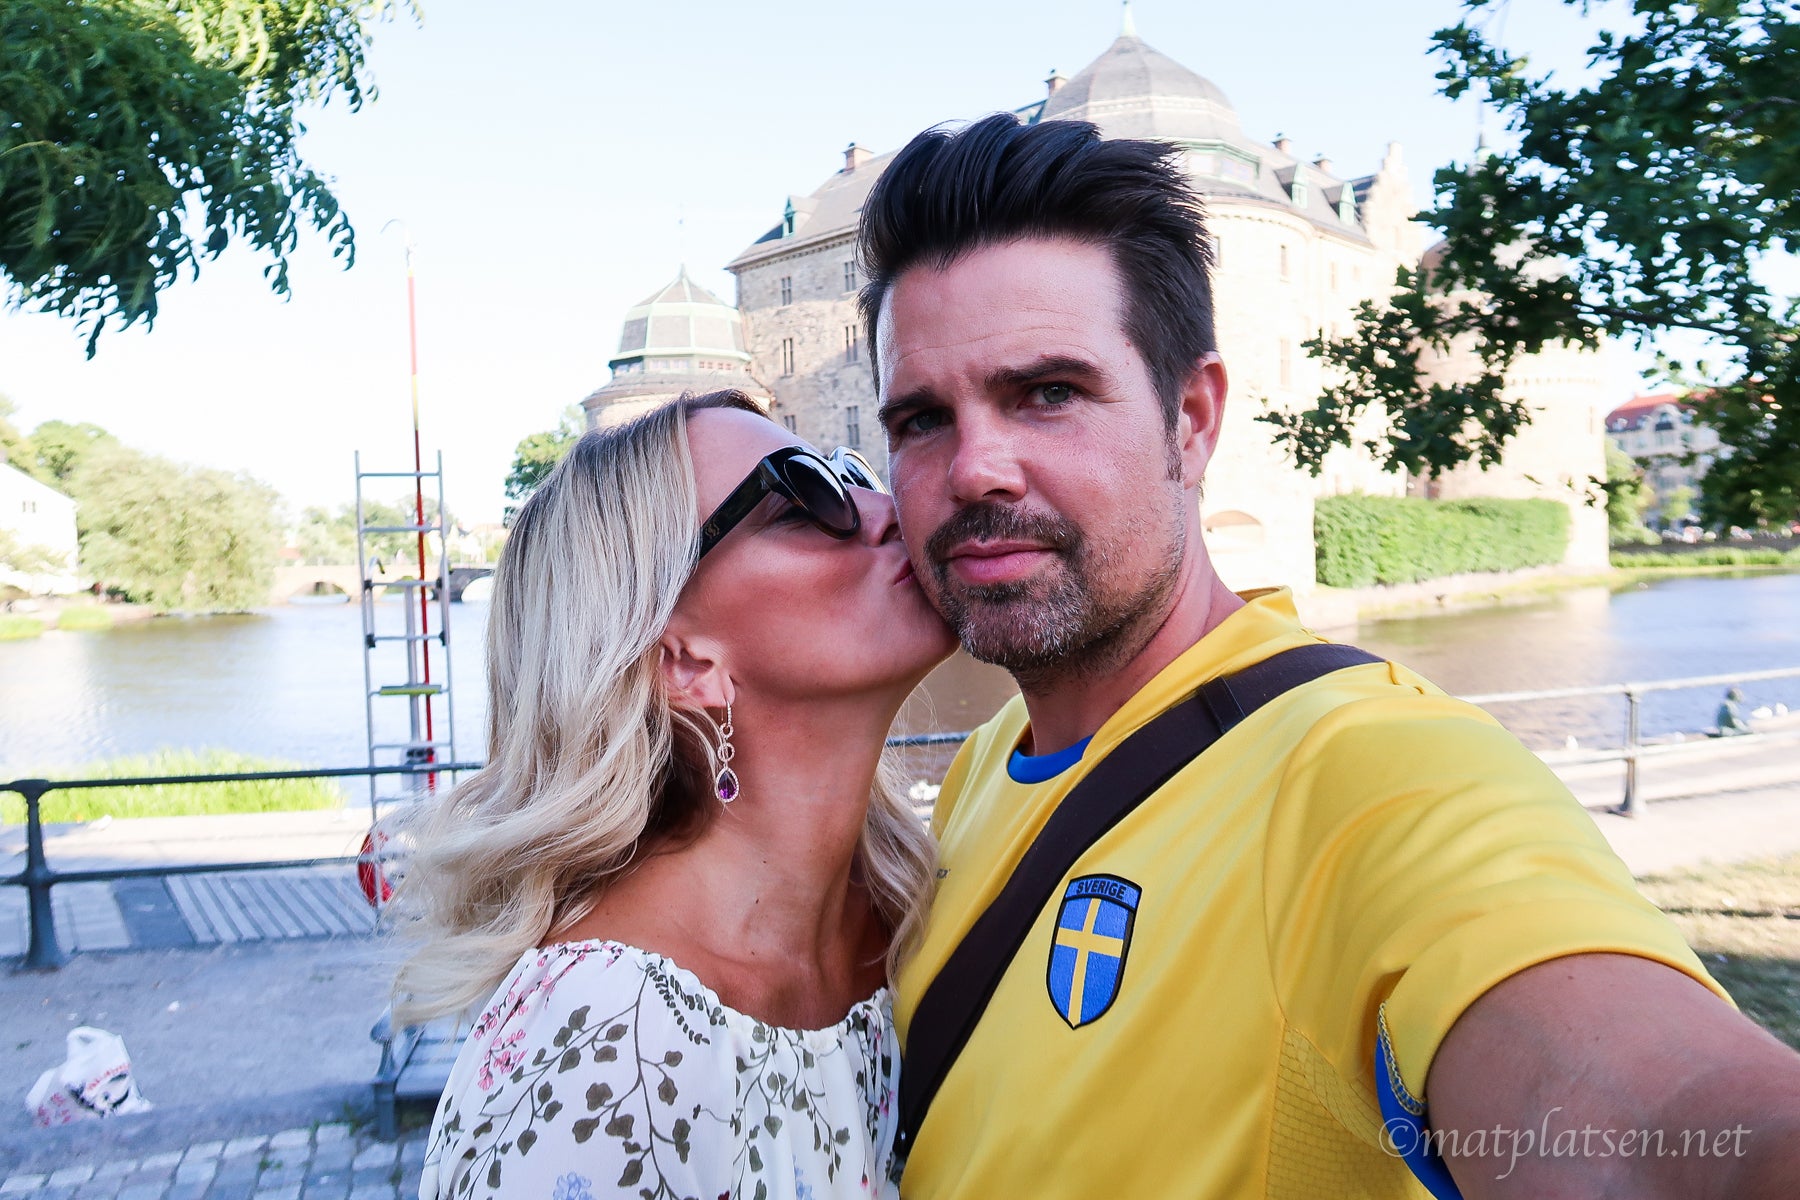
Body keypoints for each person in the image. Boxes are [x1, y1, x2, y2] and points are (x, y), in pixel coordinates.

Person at [858, 113, 1800, 1198]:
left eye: (1050, 394)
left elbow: (1661, 1122)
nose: (975, 468)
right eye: (921, 420)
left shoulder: (1371, 768)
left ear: (1191, 419)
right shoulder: (985, 762)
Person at [396, 390, 957, 1200]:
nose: (894, 506)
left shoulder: (913, 909)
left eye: (855, 475)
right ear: (683, 662)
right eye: (804, 499)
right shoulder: (602, 1049)